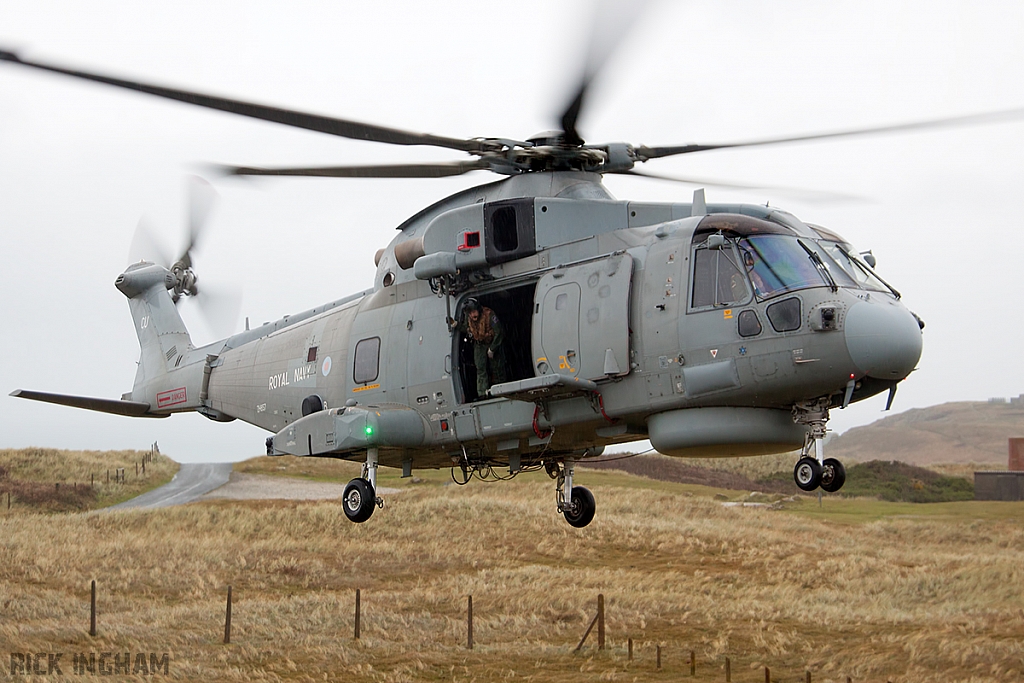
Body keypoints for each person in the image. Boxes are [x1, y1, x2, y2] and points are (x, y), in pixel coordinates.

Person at [461, 298, 508, 397]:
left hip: (492, 342)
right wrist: (455, 325)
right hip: (479, 344)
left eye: (473, 311)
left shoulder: (489, 315)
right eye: (470, 313)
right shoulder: (469, 318)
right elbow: (466, 328)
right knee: (480, 368)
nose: (472, 315)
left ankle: (501, 391)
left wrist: (492, 348)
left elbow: (499, 332)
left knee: (497, 367)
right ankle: (482, 393)